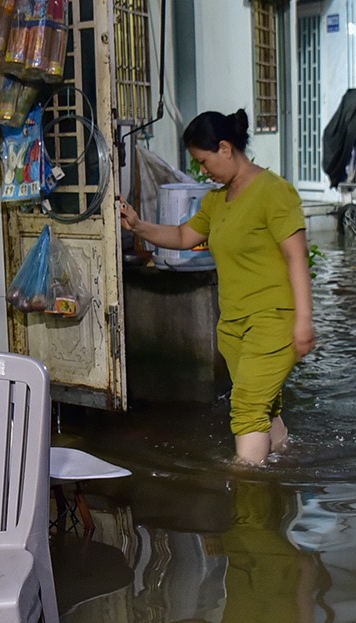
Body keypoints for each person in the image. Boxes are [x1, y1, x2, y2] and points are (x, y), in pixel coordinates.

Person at [119, 109, 315, 465]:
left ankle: (248, 485)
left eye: (203, 161)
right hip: (234, 325)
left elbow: (296, 256)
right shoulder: (216, 200)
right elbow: (183, 236)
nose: (203, 171)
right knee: (262, 403)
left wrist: (304, 321)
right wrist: (138, 225)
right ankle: (286, 461)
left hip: (273, 320)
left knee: (246, 407)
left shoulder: (274, 191)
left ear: (225, 148)